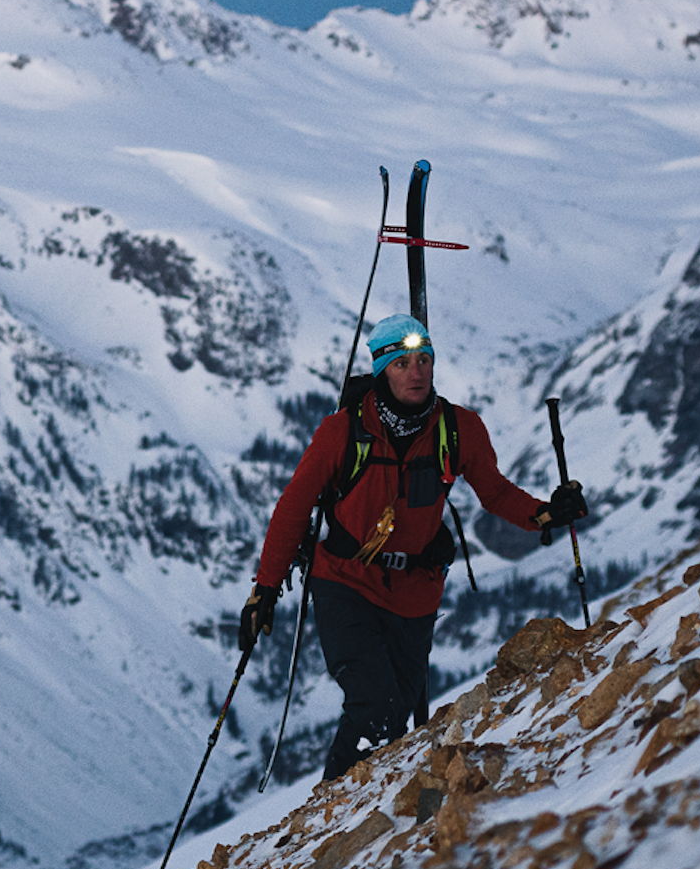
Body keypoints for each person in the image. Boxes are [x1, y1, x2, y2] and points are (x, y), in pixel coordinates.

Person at [239, 314, 588, 780]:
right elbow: (292, 509)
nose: (417, 371)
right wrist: (264, 588)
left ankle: (363, 817)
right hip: (344, 581)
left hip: (415, 591)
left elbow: (496, 493)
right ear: (382, 369)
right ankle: (326, 819)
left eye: (424, 359)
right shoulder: (342, 432)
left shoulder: (458, 429)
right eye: (402, 362)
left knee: (398, 716)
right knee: (376, 709)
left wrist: (545, 513)